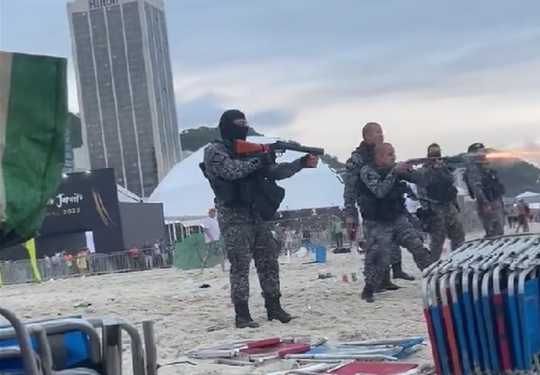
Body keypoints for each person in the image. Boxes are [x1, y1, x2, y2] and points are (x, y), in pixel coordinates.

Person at [201, 109, 319, 328]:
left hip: (256, 214)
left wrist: (300, 163)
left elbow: (275, 172)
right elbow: (230, 171)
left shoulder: (251, 152)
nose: (243, 128)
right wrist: (260, 159)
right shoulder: (215, 150)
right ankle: (242, 314)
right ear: (227, 125)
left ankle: (274, 307)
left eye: (245, 124)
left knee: (269, 262)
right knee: (240, 265)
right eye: (238, 124)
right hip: (233, 216)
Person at [358, 143, 431, 302]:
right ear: (379, 157)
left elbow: (420, 180)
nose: (393, 157)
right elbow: (380, 191)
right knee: (379, 257)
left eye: (394, 154)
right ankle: (369, 289)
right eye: (390, 154)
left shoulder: (394, 169)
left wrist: (421, 169)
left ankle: (432, 279)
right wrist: (394, 172)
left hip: (396, 218)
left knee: (417, 246)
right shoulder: (367, 171)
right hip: (377, 222)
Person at [343, 122, 413, 282]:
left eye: (381, 132)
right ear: (367, 136)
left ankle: (396, 270)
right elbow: (350, 186)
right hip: (371, 206)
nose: (381, 135)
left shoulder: (384, 153)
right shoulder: (357, 159)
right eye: (377, 132)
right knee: (376, 243)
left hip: (388, 201)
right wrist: (350, 212)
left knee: (394, 237)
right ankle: (381, 279)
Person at [416, 143, 465, 262]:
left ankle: (458, 259)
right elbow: (422, 188)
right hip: (434, 206)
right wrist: (426, 209)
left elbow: (450, 182)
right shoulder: (423, 170)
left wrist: (442, 169)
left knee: (458, 234)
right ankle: (433, 263)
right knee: (438, 239)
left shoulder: (445, 168)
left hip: (448, 204)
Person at [464, 143, 506, 237]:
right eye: (480, 151)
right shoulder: (473, 168)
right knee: (493, 230)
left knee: (499, 229)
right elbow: (475, 187)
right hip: (487, 201)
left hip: (495, 199)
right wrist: (484, 203)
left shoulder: (486, 165)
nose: (483, 153)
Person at [200, 207, 226, 272]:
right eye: (213, 212)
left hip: (216, 239)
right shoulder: (206, 220)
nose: (214, 213)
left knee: (220, 253)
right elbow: (205, 230)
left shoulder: (215, 220)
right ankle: (202, 268)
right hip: (210, 240)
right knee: (208, 255)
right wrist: (211, 238)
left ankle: (223, 268)